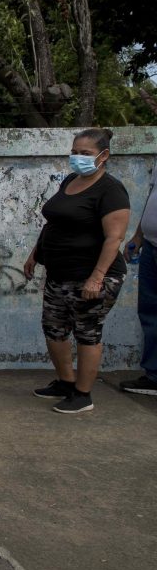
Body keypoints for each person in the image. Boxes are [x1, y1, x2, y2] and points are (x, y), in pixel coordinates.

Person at [24, 128, 129, 413]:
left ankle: (83, 395)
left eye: (85, 153)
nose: (77, 158)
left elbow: (114, 238)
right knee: (54, 329)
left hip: (93, 277)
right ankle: (65, 382)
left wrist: (96, 278)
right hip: (59, 273)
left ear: (103, 156)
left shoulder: (111, 189)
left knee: (86, 332)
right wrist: (35, 254)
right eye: (75, 152)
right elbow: (53, 222)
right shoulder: (72, 181)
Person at [120, 141, 157, 397]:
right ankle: (154, 376)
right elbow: (152, 198)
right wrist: (138, 235)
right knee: (150, 312)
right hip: (152, 247)